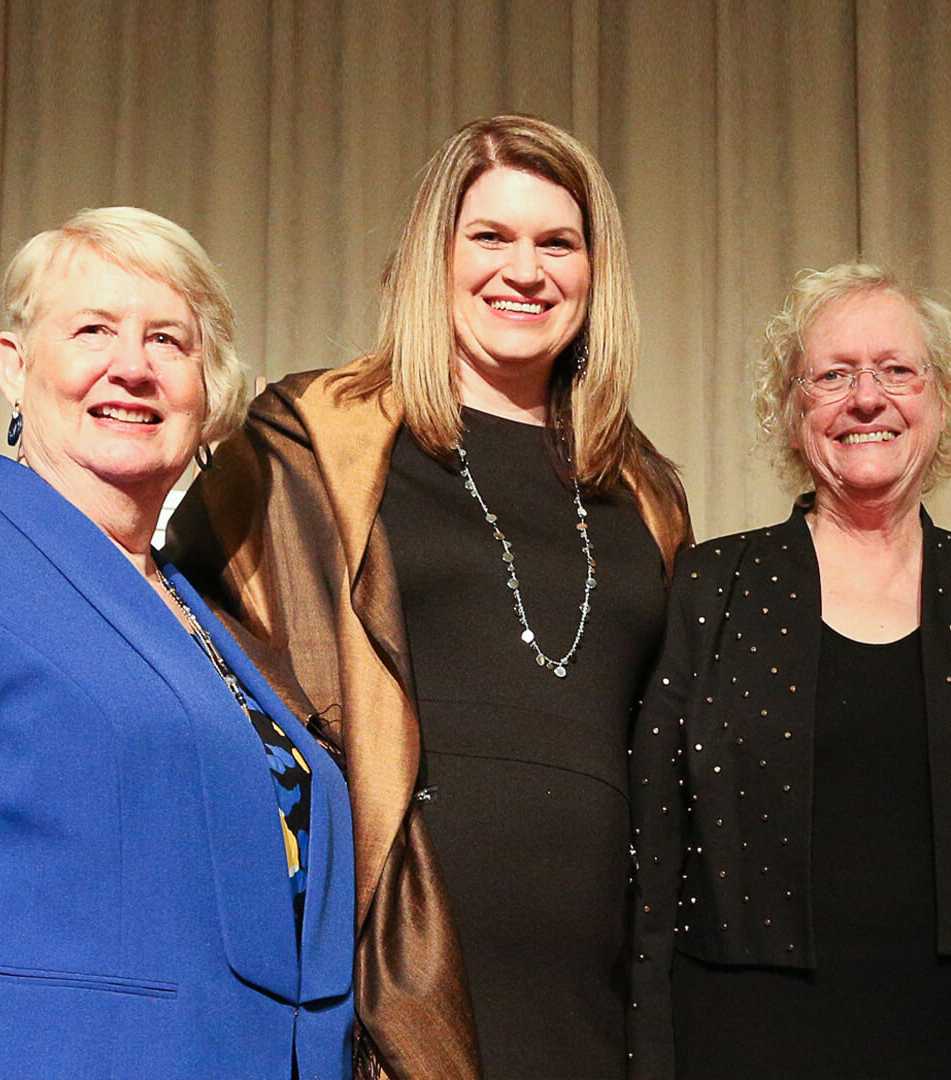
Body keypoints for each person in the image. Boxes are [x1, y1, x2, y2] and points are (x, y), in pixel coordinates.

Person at [165, 115, 692, 1079]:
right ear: (434, 257)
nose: (524, 271)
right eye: (489, 237)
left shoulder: (645, 492)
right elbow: (182, 645)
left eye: (556, 243)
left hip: (599, 987)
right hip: (390, 973)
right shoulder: (311, 441)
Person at [0, 207, 353, 1078]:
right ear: (15, 364)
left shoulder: (215, 619)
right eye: (93, 330)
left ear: (208, 388)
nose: (132, 367)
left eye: (168, 341)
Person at [627, 263, 951, 1079]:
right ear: (793, 409)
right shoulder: (713, 585)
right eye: (832, 375)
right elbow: (655, 850)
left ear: (941, 403)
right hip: (749, 1036)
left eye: (896, 370)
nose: (865, 398)